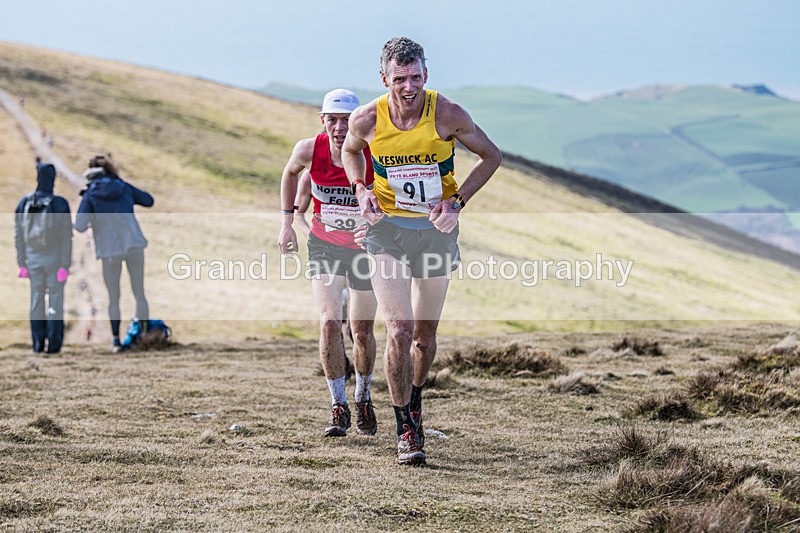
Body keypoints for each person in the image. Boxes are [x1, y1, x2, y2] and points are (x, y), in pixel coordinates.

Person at [343, 37, 502, 465]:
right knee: (399, 328)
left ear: (426, 75)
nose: (408, 87)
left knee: (424, 338)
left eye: (416, 78)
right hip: (386, 231)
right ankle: (406, 430)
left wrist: (457, 202)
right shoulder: (366, 119)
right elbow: (350, 150)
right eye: (399, 79)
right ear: (384, 79)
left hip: (434, 233)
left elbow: (491, 156)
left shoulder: (447, 113)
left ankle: (414, 401)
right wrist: (361, 190)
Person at [278, 89, 379, 437]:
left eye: (345, 121)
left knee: (361, 331)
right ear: (322, 121)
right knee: (328, 324)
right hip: (324, 247)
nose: (339, 128)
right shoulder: (309, 149)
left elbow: (393, 195)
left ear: (356, 122)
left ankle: (363, 396)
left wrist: (377, 224)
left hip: (365, 251)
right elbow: (289, 174)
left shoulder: (372, 152)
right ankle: (338, 406)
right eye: (332, 120)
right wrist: (288, 222)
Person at [74, 154, 154, 353]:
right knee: (139, 293)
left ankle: (117, 341)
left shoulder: (90, 195)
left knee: (114, 297)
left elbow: (80, 226)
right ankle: (144, 337)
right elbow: (148, 200)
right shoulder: (123, 186)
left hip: (110, 250)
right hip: (134, 244)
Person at [14, 161, 72, 354]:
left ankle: (38, 345)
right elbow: (66, 237)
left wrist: (21, 263)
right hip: (55, 262)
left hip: (33, 261)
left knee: (36, 301)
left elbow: (19, 235)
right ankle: (54, 347)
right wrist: (65, 265)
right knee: (55, 302)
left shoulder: (24, 203)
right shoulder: (60, 204)